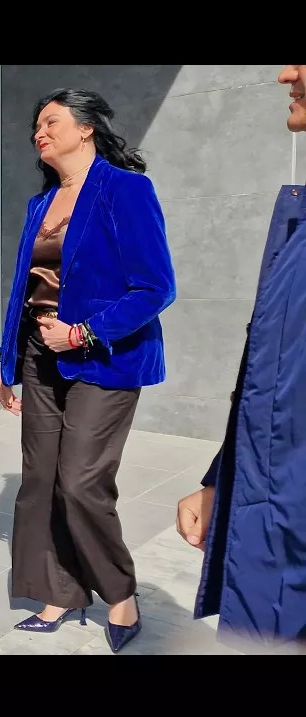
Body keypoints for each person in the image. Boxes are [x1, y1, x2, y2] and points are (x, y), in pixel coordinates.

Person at [0, 88, 177, 654]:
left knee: (79, 482)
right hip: (38, 357)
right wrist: (10, 366)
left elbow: (156, 287)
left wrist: (84, 332)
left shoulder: (126, 190)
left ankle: (119, 590)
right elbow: (24, 293)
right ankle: (62, 591)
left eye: (50, 121)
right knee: (41, 481)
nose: (39, 132)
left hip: (104, 357)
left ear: (85, 129)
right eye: (36, 126)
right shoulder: (40, 204)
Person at [177, 64, 306, 650]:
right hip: (271, 547)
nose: (286, 74)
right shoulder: (298, 226)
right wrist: (222, 479)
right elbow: (273, 385)